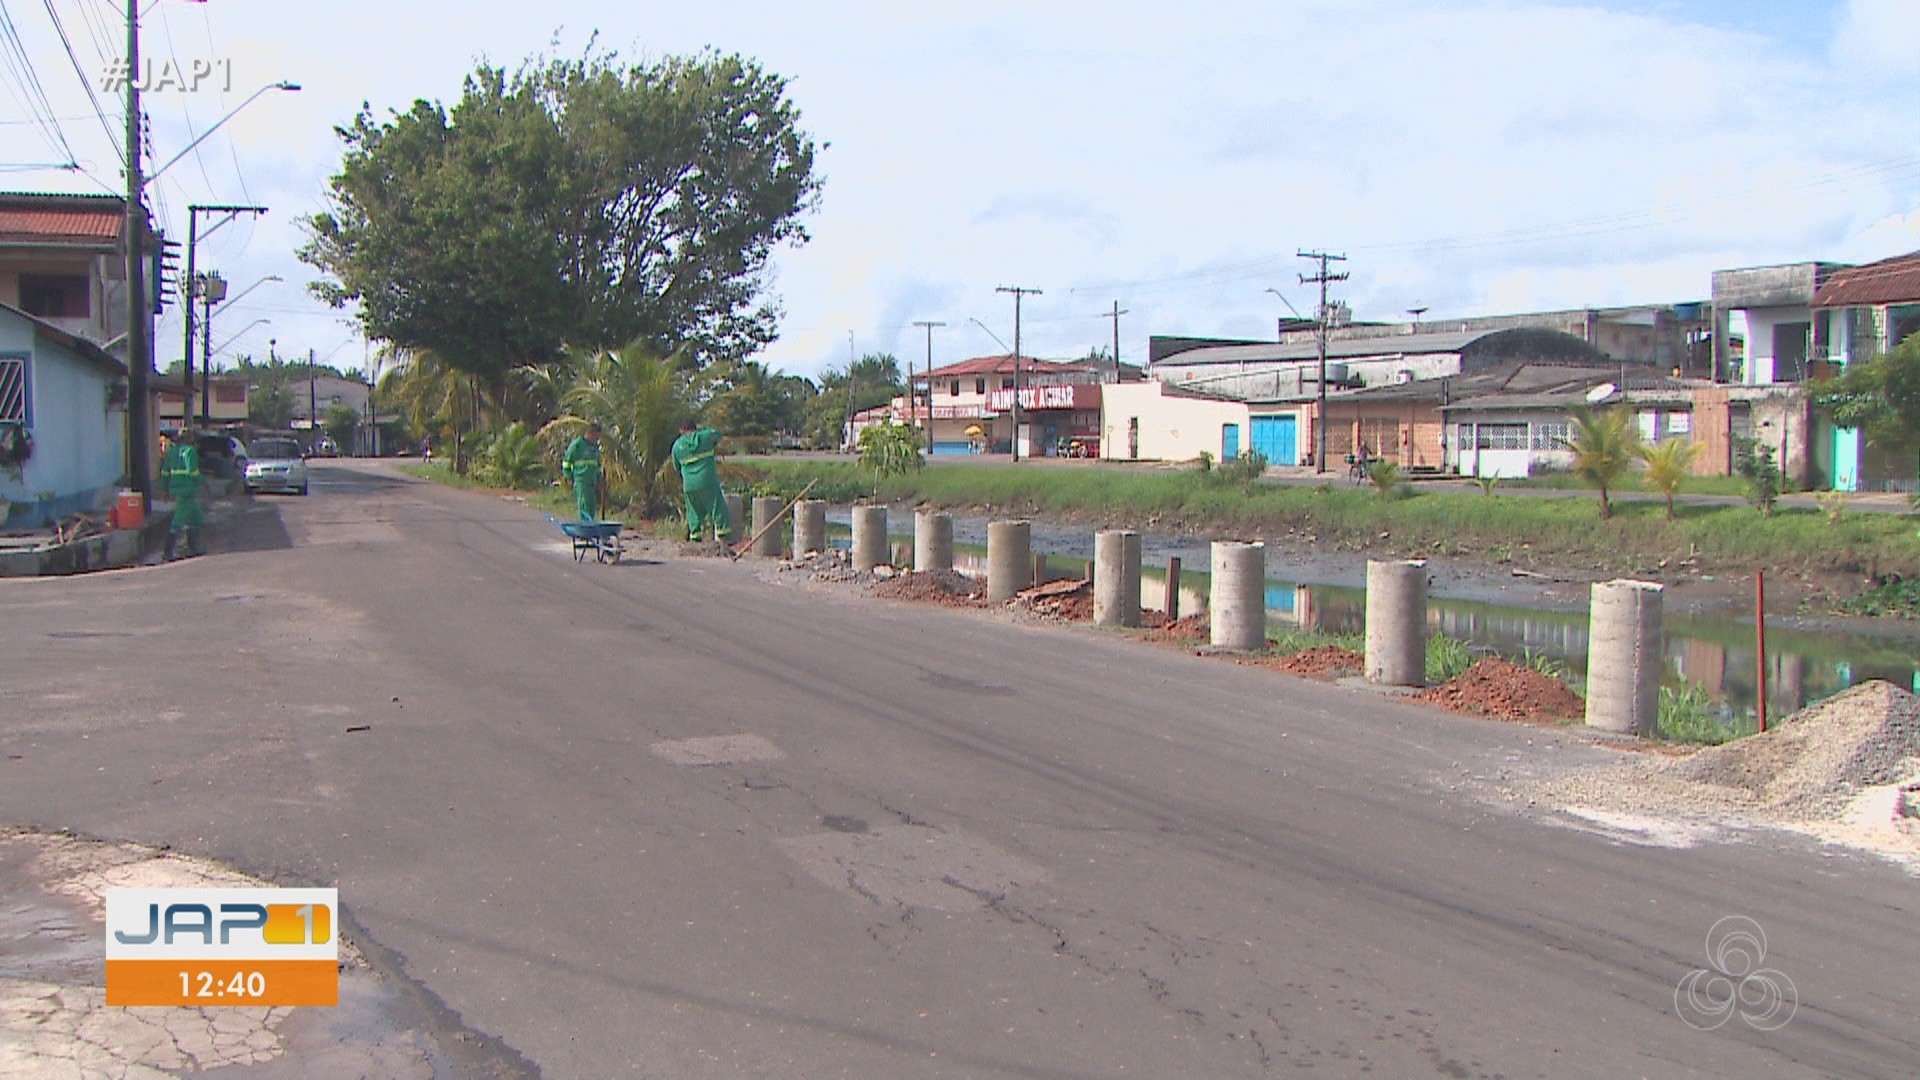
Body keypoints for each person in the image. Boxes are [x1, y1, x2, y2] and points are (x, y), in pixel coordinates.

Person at [671, 417, 732, 543]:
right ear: (695, 428)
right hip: (707, 480)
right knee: (717, 506)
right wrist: (702, 429)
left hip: (689, 484)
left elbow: (676, 467)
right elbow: (718, 434)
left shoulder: (677, 446)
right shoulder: (705, 436)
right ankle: (723, 537)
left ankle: (695, 537)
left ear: (681, 430)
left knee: (693, 511)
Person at [159, 429, 203, 559]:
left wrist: (165, 489)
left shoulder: (172, 452)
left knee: (196, 518)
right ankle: (167, 552)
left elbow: (165, 473)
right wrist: (204, 482)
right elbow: (193, 472)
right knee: (177, 521)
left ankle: (194, 547)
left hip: (177, 489)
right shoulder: (190, 451)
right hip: (187, 490)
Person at [560, 422, 604, 522]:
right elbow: (566, 463)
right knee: (584, 505)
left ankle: (590, 526)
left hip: (592, 481)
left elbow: (597, 466)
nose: (596, 440)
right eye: (596, 437)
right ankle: (584, 527)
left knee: (592, 506)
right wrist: (569, 477)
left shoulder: (595, 448)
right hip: (581, 481)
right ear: (590, 433)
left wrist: (599, 479)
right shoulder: (577, 445)